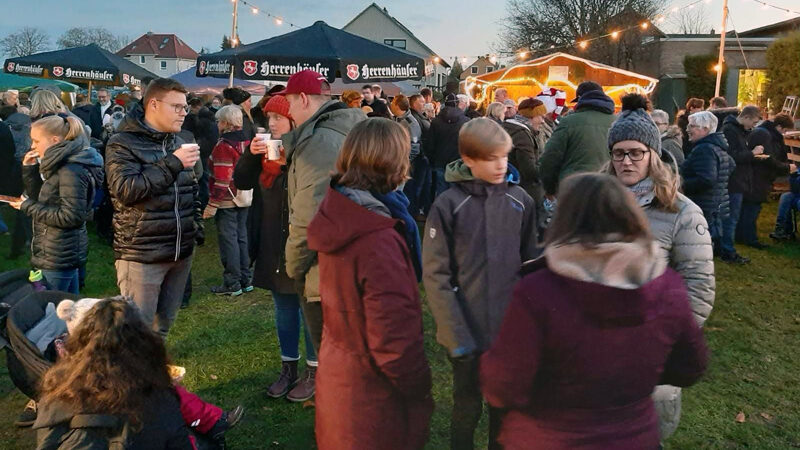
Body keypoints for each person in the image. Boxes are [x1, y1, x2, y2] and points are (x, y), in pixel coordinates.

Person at [480, 172, 708, 449]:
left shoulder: (537, 291)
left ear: (565, 219)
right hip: (632, 436)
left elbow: (503, 384)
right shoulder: (668, 288)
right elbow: (689, 367)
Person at [308, 118, 433, 450]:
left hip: (343, 377)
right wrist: (420, 387)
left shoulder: (342, 210)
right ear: (393, 162)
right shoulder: (376, 237)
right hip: (372, 397)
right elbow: (394, 341)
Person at [423, 118, 538, 449]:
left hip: (509, 329)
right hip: (466, 329)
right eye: (491, 158)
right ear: (469, 159)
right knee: (467, 405)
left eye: (504, 156)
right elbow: (436, 274)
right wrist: (453, 331)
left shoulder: (521, 201)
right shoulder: (448, 205)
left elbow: (530, 261)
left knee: (504, 406)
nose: (501, 165)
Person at [606, 94, 715, 440]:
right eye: (618, 152)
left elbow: (697, 288)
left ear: (653, 154)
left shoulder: (681, 212)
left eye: (635, 152)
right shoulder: (596, 202)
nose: (626, 161)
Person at [234, 95, 318, 402]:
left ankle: (314, 371)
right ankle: (288, 368)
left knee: (309, 306)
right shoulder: (264, 155)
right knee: (283, 307)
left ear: (294, 120)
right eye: (268, 119)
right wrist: (250, 155)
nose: (271, 124)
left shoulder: (308, 150)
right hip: (272, 238)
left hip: (303, 239)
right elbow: (241, 181)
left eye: (277, 118)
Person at [105, 78, 201, 338]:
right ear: (154, 105)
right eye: (177, 107)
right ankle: (133, 378)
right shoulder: (122, 143)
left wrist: (196, 226)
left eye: (185, 107)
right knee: (137, 332)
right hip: (143, 253)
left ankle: (155, 376)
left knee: (162, 329)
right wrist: (173, 163)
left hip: (180, 251)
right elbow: (127, 191)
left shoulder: (178, 141)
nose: (184, 113)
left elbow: (191, 189)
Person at [279, 70, 366, 356]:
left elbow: (309, 217)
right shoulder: (349, 127)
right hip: (354, 264)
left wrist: (293, 265)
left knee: (336, 366)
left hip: (326, 272)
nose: (289, 111)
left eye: (289, 103)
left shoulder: (319, 142)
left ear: (303, 99)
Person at [7, 115, 103, 294]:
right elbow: (43, 198)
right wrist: (30, 170)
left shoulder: (70, 169)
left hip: (58, 254)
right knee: (65, 311)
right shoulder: (64, 163)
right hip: (57, 251)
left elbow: (71, 216)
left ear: (55, 140)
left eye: (36, 141)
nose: (32, 146)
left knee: (51, 310)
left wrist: (26, 206)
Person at [201, 105, 253, 296]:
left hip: (227, 198)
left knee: (229, 240)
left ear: (224, 122)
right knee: (241, 237)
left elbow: (222, 179)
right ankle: (246, 279)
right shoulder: (247, 141)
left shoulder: (224, 146)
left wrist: (212, 204)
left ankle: (232, 283)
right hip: (245, 195)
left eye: (218, 121)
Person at [539, 80, 615, 197]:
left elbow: (550, 157)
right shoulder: (617, 122)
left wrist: (549, 189)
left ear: (580, 99)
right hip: (608, 188)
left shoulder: (569, 122)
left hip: (573, 188)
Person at [681, 111, 736, 259]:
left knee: (698, 247)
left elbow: (707, 179)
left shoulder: (704, 149)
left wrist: (680, 184)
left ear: (705, 129)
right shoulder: (717, 146)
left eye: (692, 126)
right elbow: (731, 165)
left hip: (703, 204)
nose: (687, 129)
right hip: (715, 203)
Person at [742, 113, 795, 247]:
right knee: (752, 207)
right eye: (784, 130)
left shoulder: (768, 134)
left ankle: (746, 236)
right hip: (757, 176)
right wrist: (787, 167)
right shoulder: (765, 135)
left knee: (752, 206)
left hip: (759, 176)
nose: (785, 133)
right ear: (778, 126)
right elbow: (768, 158)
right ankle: (749, 238)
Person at [720, 106, 762, 262]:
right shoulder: (731, 131)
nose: (754, 126)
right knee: (730, 217)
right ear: (747, 117)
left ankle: (724, 247)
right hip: (734, 181)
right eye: (754, 122)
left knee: (730, 216)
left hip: (738, 180)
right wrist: (752, 153)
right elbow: (733, 156)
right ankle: (727, 250)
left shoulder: (738, 131)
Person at [427, 93, 470, 196]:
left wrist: (432, 160)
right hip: (458, 163)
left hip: (440, 162)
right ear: (457, 104)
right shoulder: (465, 121)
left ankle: (442, 210)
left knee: (441, 190)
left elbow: (430, 143)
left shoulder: (436, 121)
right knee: (456, 192)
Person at [391, 94, 425, 216]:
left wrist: (404, 161)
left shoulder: (411, 123)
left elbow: (415, 147)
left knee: (402, 192)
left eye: (393, 102)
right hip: (396, 163)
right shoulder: (396, 120)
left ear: (397, 105)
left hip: (403, 165)